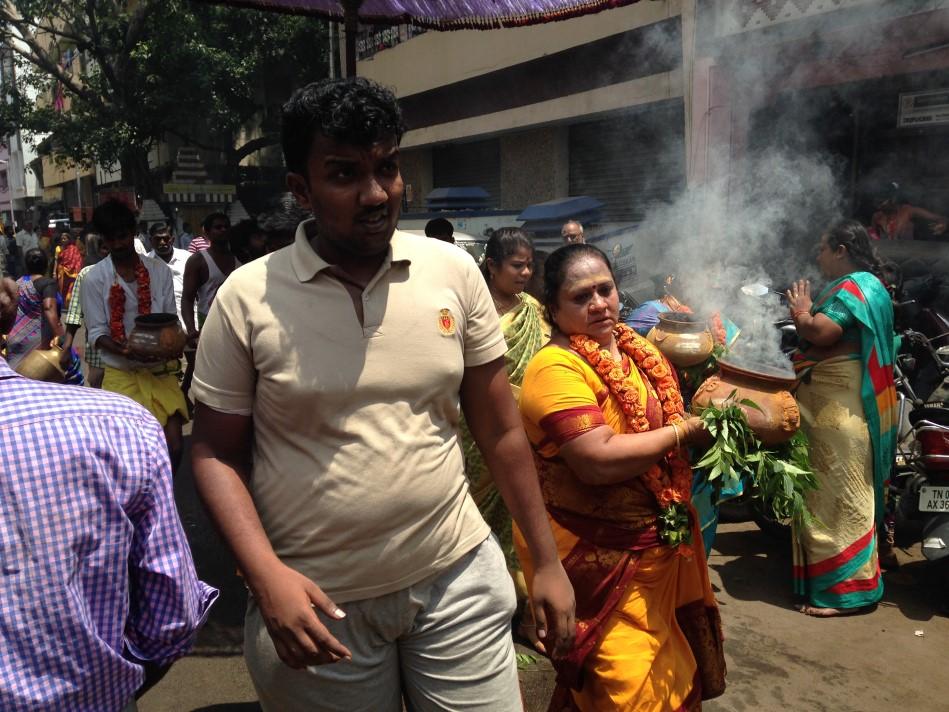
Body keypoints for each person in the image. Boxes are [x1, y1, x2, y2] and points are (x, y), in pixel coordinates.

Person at [190, 77, 575, 712]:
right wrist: (266, 579)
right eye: (344, 174)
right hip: (316, 602)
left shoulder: (452, 272)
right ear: (301, 190)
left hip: (457, 578)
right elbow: (213, 452)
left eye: (387, 168)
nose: (376, 194)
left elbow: (502, 429)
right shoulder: (247, 298)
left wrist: (547, 561)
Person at [515, 243, 726, 710]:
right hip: (597, 558)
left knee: (667, 680)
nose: (599, 304)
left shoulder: (638, 352)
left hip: (659, 553)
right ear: (553, 307)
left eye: (605, 289)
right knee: (625, 688)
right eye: (580, 297)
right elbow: (596, 459)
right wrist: (683, 432)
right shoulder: (554, 367)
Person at [0, 275, 217, 711]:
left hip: (151, 380)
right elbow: (171, 619)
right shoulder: (93, 280)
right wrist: (106, 678)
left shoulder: (155, 269)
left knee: (167, 445)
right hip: (121, 382)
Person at [787, 219, 897, 617]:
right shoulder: (871, 287)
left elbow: (824, 331)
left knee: (839, 499)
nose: (817, 256)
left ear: (840, 250)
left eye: (821, 248)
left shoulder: (856, 286)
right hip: (834, 409)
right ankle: (834, 585)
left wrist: (802, 314)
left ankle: (847, 593)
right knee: (829, 496)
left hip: (841, 412)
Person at [460, 227, 549, 610]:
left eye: (529, 265)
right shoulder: (474, 309)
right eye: (517, 265)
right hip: (477, 428)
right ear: (492, 266)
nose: (526, 273)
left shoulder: (534, 309)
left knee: (521, 508)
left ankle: (522, 598)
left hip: (527, 429)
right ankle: (474, 595)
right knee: (474, 510)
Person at [80, 200, 188, 469]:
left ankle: (164, 501)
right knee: (132, 456)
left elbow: (169, 318)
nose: (118, 244)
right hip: (121, 374)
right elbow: (96, 332)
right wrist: (125, 350)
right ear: (103, 240)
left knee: (174, 446)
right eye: (111, 239)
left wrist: (173, 343)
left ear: (134, 232)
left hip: (160, 370)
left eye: (123, 236)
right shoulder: (94, 279)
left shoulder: (159, 272)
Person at [180, 212, 238, 403]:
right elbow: (188, 298)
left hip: (239, 325)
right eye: (218, 227)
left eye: (225, 226)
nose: (223, 230)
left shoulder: (240, 257)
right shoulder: (198, 261)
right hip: (209, 324)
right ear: (207, 232)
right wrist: (191, 330)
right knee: (210, 377)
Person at [5, 248, 65, 372]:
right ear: (46, 264)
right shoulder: (48, 284)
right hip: (36, 342)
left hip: (14, 338)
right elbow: (49, 308)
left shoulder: (18, 283)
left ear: (26, 265)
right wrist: (61, 336)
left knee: (16, 376)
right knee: (35, 378)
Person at [61, 237, 110, 388]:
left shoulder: (135, 273)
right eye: (106, 247)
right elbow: (75, 313)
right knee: (99, 393)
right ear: (101, 251)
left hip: (129, 356)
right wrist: (67, 347)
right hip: (98, 354)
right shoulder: (87, 274)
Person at [147, 221, 189, 321]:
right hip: (160, 319)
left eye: (165, 238)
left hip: (188, 315)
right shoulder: (145, 263)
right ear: (150, 241)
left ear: (172, 239)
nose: (162, 242)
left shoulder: (187, 258)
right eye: (157, 239)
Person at [54, 229, 84, 308]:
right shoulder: (58, 248)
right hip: (61, 272)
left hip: (72, 272)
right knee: (62, 288)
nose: (63, 240)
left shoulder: (73, 249)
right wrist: (54, 272)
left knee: (71, 287)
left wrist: (76, 269)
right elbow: (56, 261)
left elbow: (78, 260)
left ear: (69, 239)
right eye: (62, 239)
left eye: (65, 238)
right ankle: (64, 304)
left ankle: (70, 304)